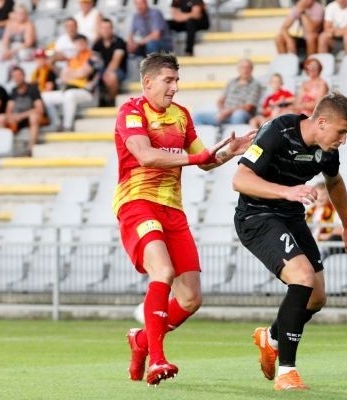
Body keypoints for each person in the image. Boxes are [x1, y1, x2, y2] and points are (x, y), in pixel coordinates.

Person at [115, 52, 255, 386]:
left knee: (191, 298)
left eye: (177, 80)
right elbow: (146, 155)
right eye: (168, 80)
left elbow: (206, 161)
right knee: (162, 271)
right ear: (148, 82)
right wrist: (199, 157)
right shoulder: (131, 112)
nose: (175, 87)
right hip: (138, 204)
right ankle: (157, 360)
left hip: (172, 210)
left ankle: (142, 342)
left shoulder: (181, 116)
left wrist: (228, 153)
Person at [233, 92, 347, 390]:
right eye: (341, 131)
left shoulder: (327, 150)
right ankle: (287, 373)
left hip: (290, 217)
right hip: (256, 216)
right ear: (321, 122)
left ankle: (272, 338)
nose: (343, 139)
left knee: (317, 297)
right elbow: (240, 179)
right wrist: (287, 192)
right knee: (303, 278)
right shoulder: (277, 132)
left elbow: (334, 181)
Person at [41, 34, 102, 131]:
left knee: (70, 95)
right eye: (77, 43)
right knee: (45, 97)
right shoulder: (73, 59)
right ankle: (57, 123)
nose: (80, 45)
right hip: (69, 89)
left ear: (87, 43)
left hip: (87, 92)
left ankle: (67, 126)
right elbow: (63, 76)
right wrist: (74, 73)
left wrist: (71, 74)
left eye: (82, 42)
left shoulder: (93, 56)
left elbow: (84, 73)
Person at [0, 65, 49, 156]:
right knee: (0, 118)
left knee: (34, 118)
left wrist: (21, 116)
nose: (17, 78)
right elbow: (9, 109)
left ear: (23, 75)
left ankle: (30, 148)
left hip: (29, 118)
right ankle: (3, 147)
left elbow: (39, 109)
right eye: (14, 76)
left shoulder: (33, 89)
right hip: (18, 119)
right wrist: (11, 117)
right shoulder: (13, 91)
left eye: (18, 75)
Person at [193, 58, 262, 125]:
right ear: (238, 69)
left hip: (242, 114)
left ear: (252, 69)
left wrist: (228, 112)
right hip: (225, 113)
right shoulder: (231, 82)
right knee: (198, 116)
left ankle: (235, 136)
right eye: (242, 67)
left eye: (248, 67)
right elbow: (220, 100)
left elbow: (248, 107)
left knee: (238, 115)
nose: (245, 70)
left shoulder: (255, 84)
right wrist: (222, 111)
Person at [92, 17, 127, 107]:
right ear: (100, 29)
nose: (106, 30)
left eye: (108, 28)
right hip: (102, 70)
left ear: (112, 29)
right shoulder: (97, 43)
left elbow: (116, 60)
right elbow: (94, 60)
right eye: (103, 28)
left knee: (111, 77)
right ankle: (99, 100)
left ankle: (111, 101)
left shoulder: (119, 41)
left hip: (118, 70)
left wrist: (106, 73)